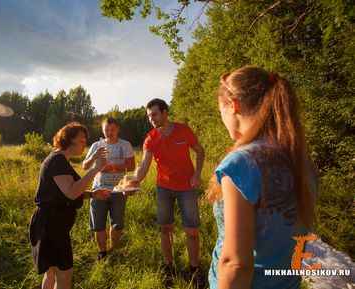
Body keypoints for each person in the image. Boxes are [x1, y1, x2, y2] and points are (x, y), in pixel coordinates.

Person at [207, 65, 318, 288]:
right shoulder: (302, 161)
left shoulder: (241, 163)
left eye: (221, 111)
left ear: (233, 105)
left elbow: (236, 264)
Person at [29, 122, 111, 289]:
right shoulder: (57, 161)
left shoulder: (60, 159)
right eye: (81, 140)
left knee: (51, 273)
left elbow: (64, 193)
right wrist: (96, 169)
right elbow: (71, 192)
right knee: (64, 273)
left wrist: (92, 194)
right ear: (68, 140)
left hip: (49, 223)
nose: (84, 145)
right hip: (51, 225)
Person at [133, 98, 205, 287]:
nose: (152, 119)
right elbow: (145, 165)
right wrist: (133, 182)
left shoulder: (184, 130)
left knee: (192, 231)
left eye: (154, 114)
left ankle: (194, 268)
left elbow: (200, 151)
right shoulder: (150, 138)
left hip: (186, 187)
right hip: (163, 188)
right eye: (149, 116)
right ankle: (168, 266)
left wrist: (197, 174)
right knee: (165, 229)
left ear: (165, 113)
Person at [82, 117, 135, 260]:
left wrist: (112, 167)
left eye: (112, 129)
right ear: (102, 129)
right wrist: (94, 157)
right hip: (98, 190)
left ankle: (114, 251)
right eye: (106, 129)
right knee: (98, 224)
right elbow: (85, 166)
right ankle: (102, 253)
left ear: (117, 129)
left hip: (119, 190)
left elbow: (131, 166)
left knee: (117, 224)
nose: (109, 132)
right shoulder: (96, 145)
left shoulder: (125, 145)